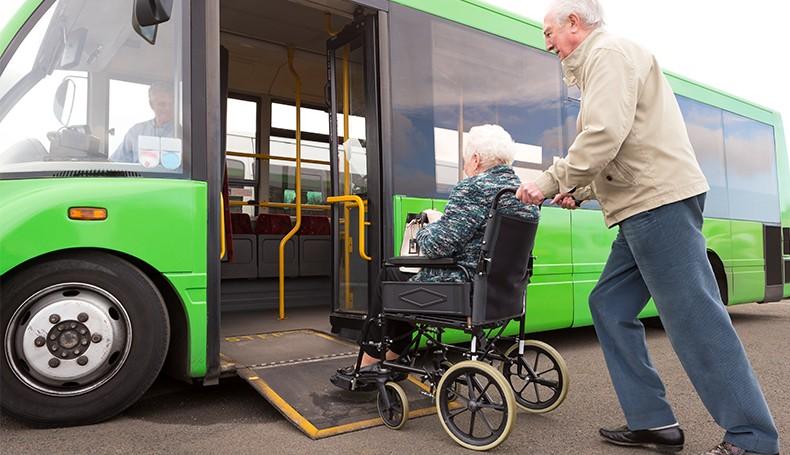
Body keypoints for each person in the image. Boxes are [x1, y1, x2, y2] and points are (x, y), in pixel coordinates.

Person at [516, 1, 780, 454]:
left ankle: (752, 438)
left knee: (694, 319)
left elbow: (604, 134)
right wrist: (579, 192)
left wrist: (550, 181)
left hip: (658, 204)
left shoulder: (607, 54)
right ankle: (652, 421)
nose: (547, 44)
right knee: (608, 304)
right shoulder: (604, 60)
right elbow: (627, 145)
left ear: (574, 24)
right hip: (644, 206)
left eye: (549, 32)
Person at [345, 124, 540, 373]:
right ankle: (392, 355)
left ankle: (371, 360)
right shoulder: (525, 196)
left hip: (465, 287)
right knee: (403, 280)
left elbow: (439, 245)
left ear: (476, 159)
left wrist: (426, 227)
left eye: (466, 161)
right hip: (506, 291)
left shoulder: (472, 188)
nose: (465, 167)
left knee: (390, 274)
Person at [110, 81, 175, 163]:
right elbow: (116, 162)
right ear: (151, 105)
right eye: (162, 104)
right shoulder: (136, 132)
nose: (168, 108)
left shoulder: (183, 133)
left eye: (172, 104)